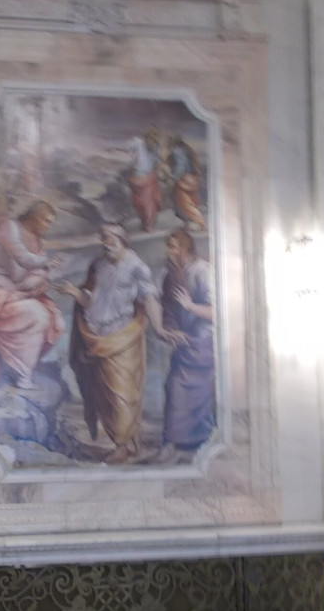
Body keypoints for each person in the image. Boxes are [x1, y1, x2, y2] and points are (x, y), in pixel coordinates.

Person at [58, 224, 183, 463]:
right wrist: (73, 291)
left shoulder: (136, 267)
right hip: (98, 336)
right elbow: (89, 301)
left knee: (122, 393)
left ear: (121, 239)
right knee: (104, 394)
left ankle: (124, 445)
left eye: (108, 238)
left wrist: (159, 328)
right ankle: (124, 444)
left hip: (123, 337)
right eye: (102, 238)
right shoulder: (98, 265)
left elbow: (149, 298)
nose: (104, 243)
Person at [0, 200, 65, 390]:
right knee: (38, 316)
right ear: (34, 217)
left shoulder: (37, 242)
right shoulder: (8, 227)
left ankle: (22, 368)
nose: (47, 226)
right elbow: (21, 256)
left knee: (58, 323)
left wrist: (37, 279)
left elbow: (39, 272)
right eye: (46, 221)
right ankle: (22, 374)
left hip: (18, 294)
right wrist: (46, 263)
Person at [155, 229, 215, 462]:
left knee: (190, 392)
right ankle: (172, 443)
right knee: (173, 387)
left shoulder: (203, 272)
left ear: (185, 248)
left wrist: (190, 307)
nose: (169, 252)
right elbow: (169, 310)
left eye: (173, 247)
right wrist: (171, 330)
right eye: (168, 247)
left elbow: (217, 312)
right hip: (186, 343)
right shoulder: (171, 276)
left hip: (204, 342)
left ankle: (190, 443)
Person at [165, 132, 207, 231]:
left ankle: (199, 222)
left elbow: (181, 166)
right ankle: (191, 223)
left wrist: (173, 176)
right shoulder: (185, 149)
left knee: (183, 203)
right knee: (189, 202)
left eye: (167, 141)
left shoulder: (175, 151)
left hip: (183, 179)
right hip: (191, 178)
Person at [126, 127, 164, 232]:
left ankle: (149, 224)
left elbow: (158, 162)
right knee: (138, 203)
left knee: (150, 203)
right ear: (147, 138)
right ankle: (144, 222)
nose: (152, 143)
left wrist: (157, 173)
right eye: (151, 139)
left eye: (154, 141)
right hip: (137, 179)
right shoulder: (138, 143)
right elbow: (129, 151)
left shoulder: (156, 148)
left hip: (149, 180)